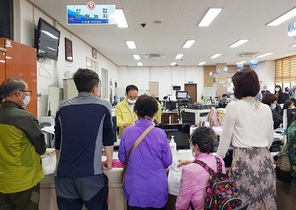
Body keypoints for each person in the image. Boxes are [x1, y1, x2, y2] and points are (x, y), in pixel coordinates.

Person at [54, 68, 114, 210]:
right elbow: (108, 136)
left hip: (64, 175)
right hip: (90, 175)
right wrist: (109, 161)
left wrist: (59, 163)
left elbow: (58, 140)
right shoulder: (103, 106)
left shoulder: (62, 107)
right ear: (95, 87)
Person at [216, 69, 276, 210]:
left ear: (239, 88)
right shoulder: (266, 108)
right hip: (265, 160)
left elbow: (224, 141)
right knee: (265, 204)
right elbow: (270, 139)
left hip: (244, 162)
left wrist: (216, 159)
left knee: (244, 204)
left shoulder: (234, 106)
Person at [118, 95, 172, 210]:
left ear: (136, 111)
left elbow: (122, 159)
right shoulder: (160, 133)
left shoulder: (127, 132)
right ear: (154, 113)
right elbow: (168, 161)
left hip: (135, 188)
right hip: (156, 188)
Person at [0, 78, 46, 210]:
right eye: (27, 92)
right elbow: (41, 147)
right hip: (23, 180)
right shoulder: (25, 118)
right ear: (18, 94)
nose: (28, 96)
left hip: (3, 181)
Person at [176, 127, 225, 210]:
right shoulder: (219, 161)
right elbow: (205, 166)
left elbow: (182, 204)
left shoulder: (189, 170)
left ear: (197, 147)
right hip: (218, 206)